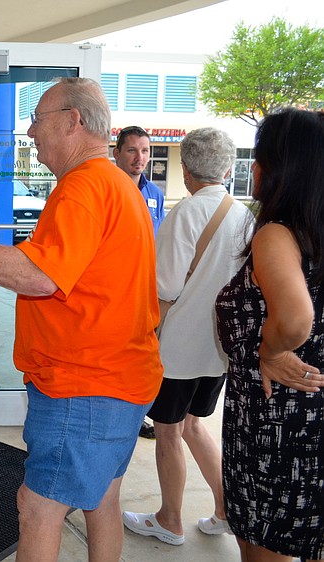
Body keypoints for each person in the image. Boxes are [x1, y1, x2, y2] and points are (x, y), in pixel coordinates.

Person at [0, 77, 163, 561]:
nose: (29, 131)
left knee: (37, 508)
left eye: (37, 119)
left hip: (83, 386)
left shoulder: (84, 187)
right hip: (121, 378)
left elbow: (41, 275)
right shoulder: (116, 185)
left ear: (73, 121)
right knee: (101, 499)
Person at [122, 128, 253, 546]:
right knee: (195, 427)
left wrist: (140, 336)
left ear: (187, 171)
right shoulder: (245, 216)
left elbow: (164, 287)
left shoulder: (186, 213)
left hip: (177, 350)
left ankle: (170, 520)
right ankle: (225, 510)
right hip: (218, 350)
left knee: (168, 432)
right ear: (228, 169)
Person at [215, 108, 324, 562]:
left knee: (266, 547)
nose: (253, 168)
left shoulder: (277, 234)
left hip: (275, 427)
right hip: (308, 420)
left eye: (259, 157)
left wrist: (270, 350)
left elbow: (296, 319)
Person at [114, 124, 165, 440]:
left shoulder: (154, 194)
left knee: (140, 354)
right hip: (115, 290)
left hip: (145, 290)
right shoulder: (108, 189)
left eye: (145, 151)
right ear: (117, 153)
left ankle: (138, 414)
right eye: (132, 150)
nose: (139, 158)